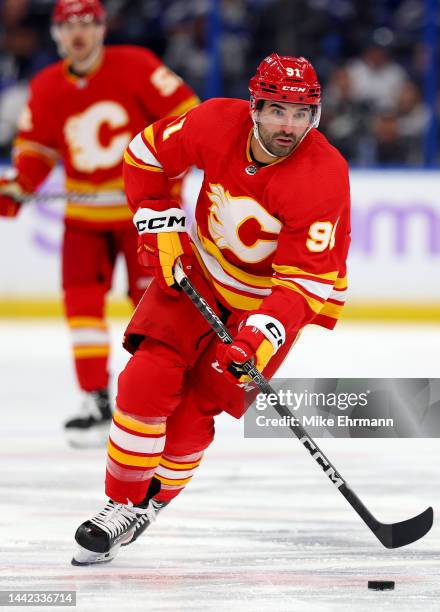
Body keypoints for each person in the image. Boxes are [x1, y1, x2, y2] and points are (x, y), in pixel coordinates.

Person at [71, 53, 351, 565]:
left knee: (193, 414)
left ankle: (149, 506)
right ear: (254, 107)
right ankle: (118, 504)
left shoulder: (324, 175)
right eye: (277, 112)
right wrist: (161, 224)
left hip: (268, 303)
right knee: (144, 382)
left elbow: (304, 282)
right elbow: (144, 155)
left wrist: (260, 336)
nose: (289, 126)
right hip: (199, 273)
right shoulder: (213, 122)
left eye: (301, 113)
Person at [0, 0, 199, 447]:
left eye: (87, 23)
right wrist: (21, 183)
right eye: (68, 24)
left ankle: (165, 396)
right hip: (85, 218)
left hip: (147, 213)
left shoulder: (137, 65)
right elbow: (37, 147)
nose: (78, 33)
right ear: (56, 34)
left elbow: (190, 118)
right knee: (82, 306)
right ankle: (95, 398)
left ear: (102, 28)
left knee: (156, 305)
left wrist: (169, 170)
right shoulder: (47, 85)